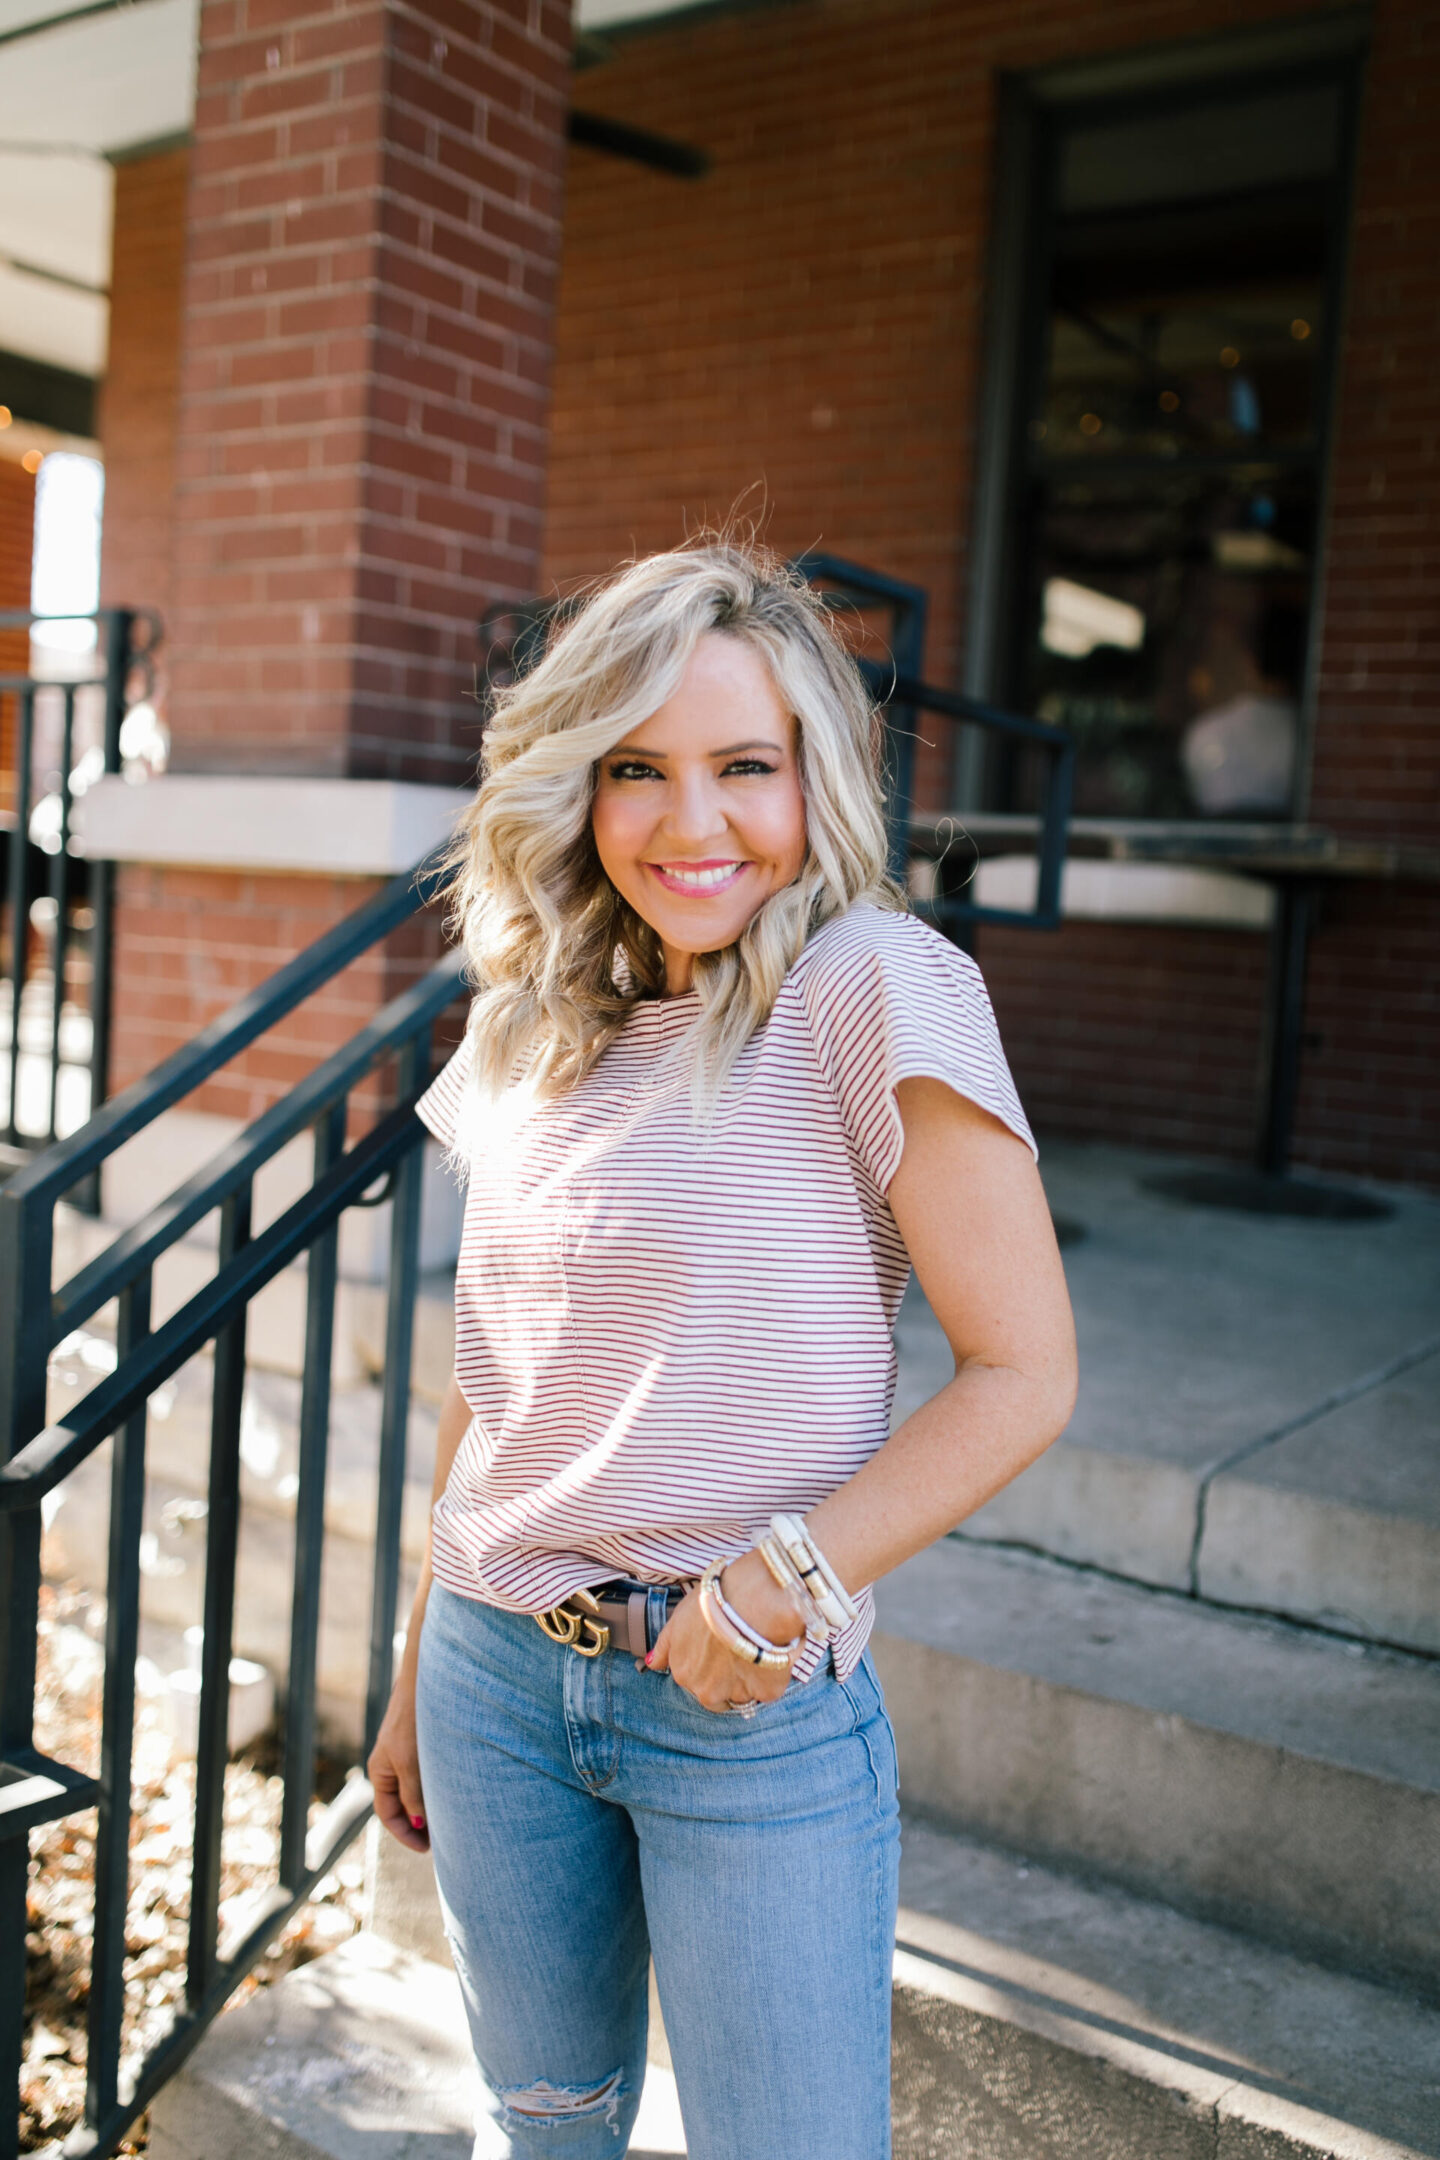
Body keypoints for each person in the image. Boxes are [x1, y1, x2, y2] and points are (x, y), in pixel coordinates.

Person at [367, 538, 1077, 2159]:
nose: (692, 824)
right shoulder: (529, 1022)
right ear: (579, 789)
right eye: (636, 770)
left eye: (742, 766)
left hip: (743, 1703)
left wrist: (785, 1580)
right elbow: (494, 1385)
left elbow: (1026, 1368)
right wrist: (415, 1674)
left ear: (816, 776)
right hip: (492, 1672)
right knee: (539, 2125)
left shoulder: (875, 982)